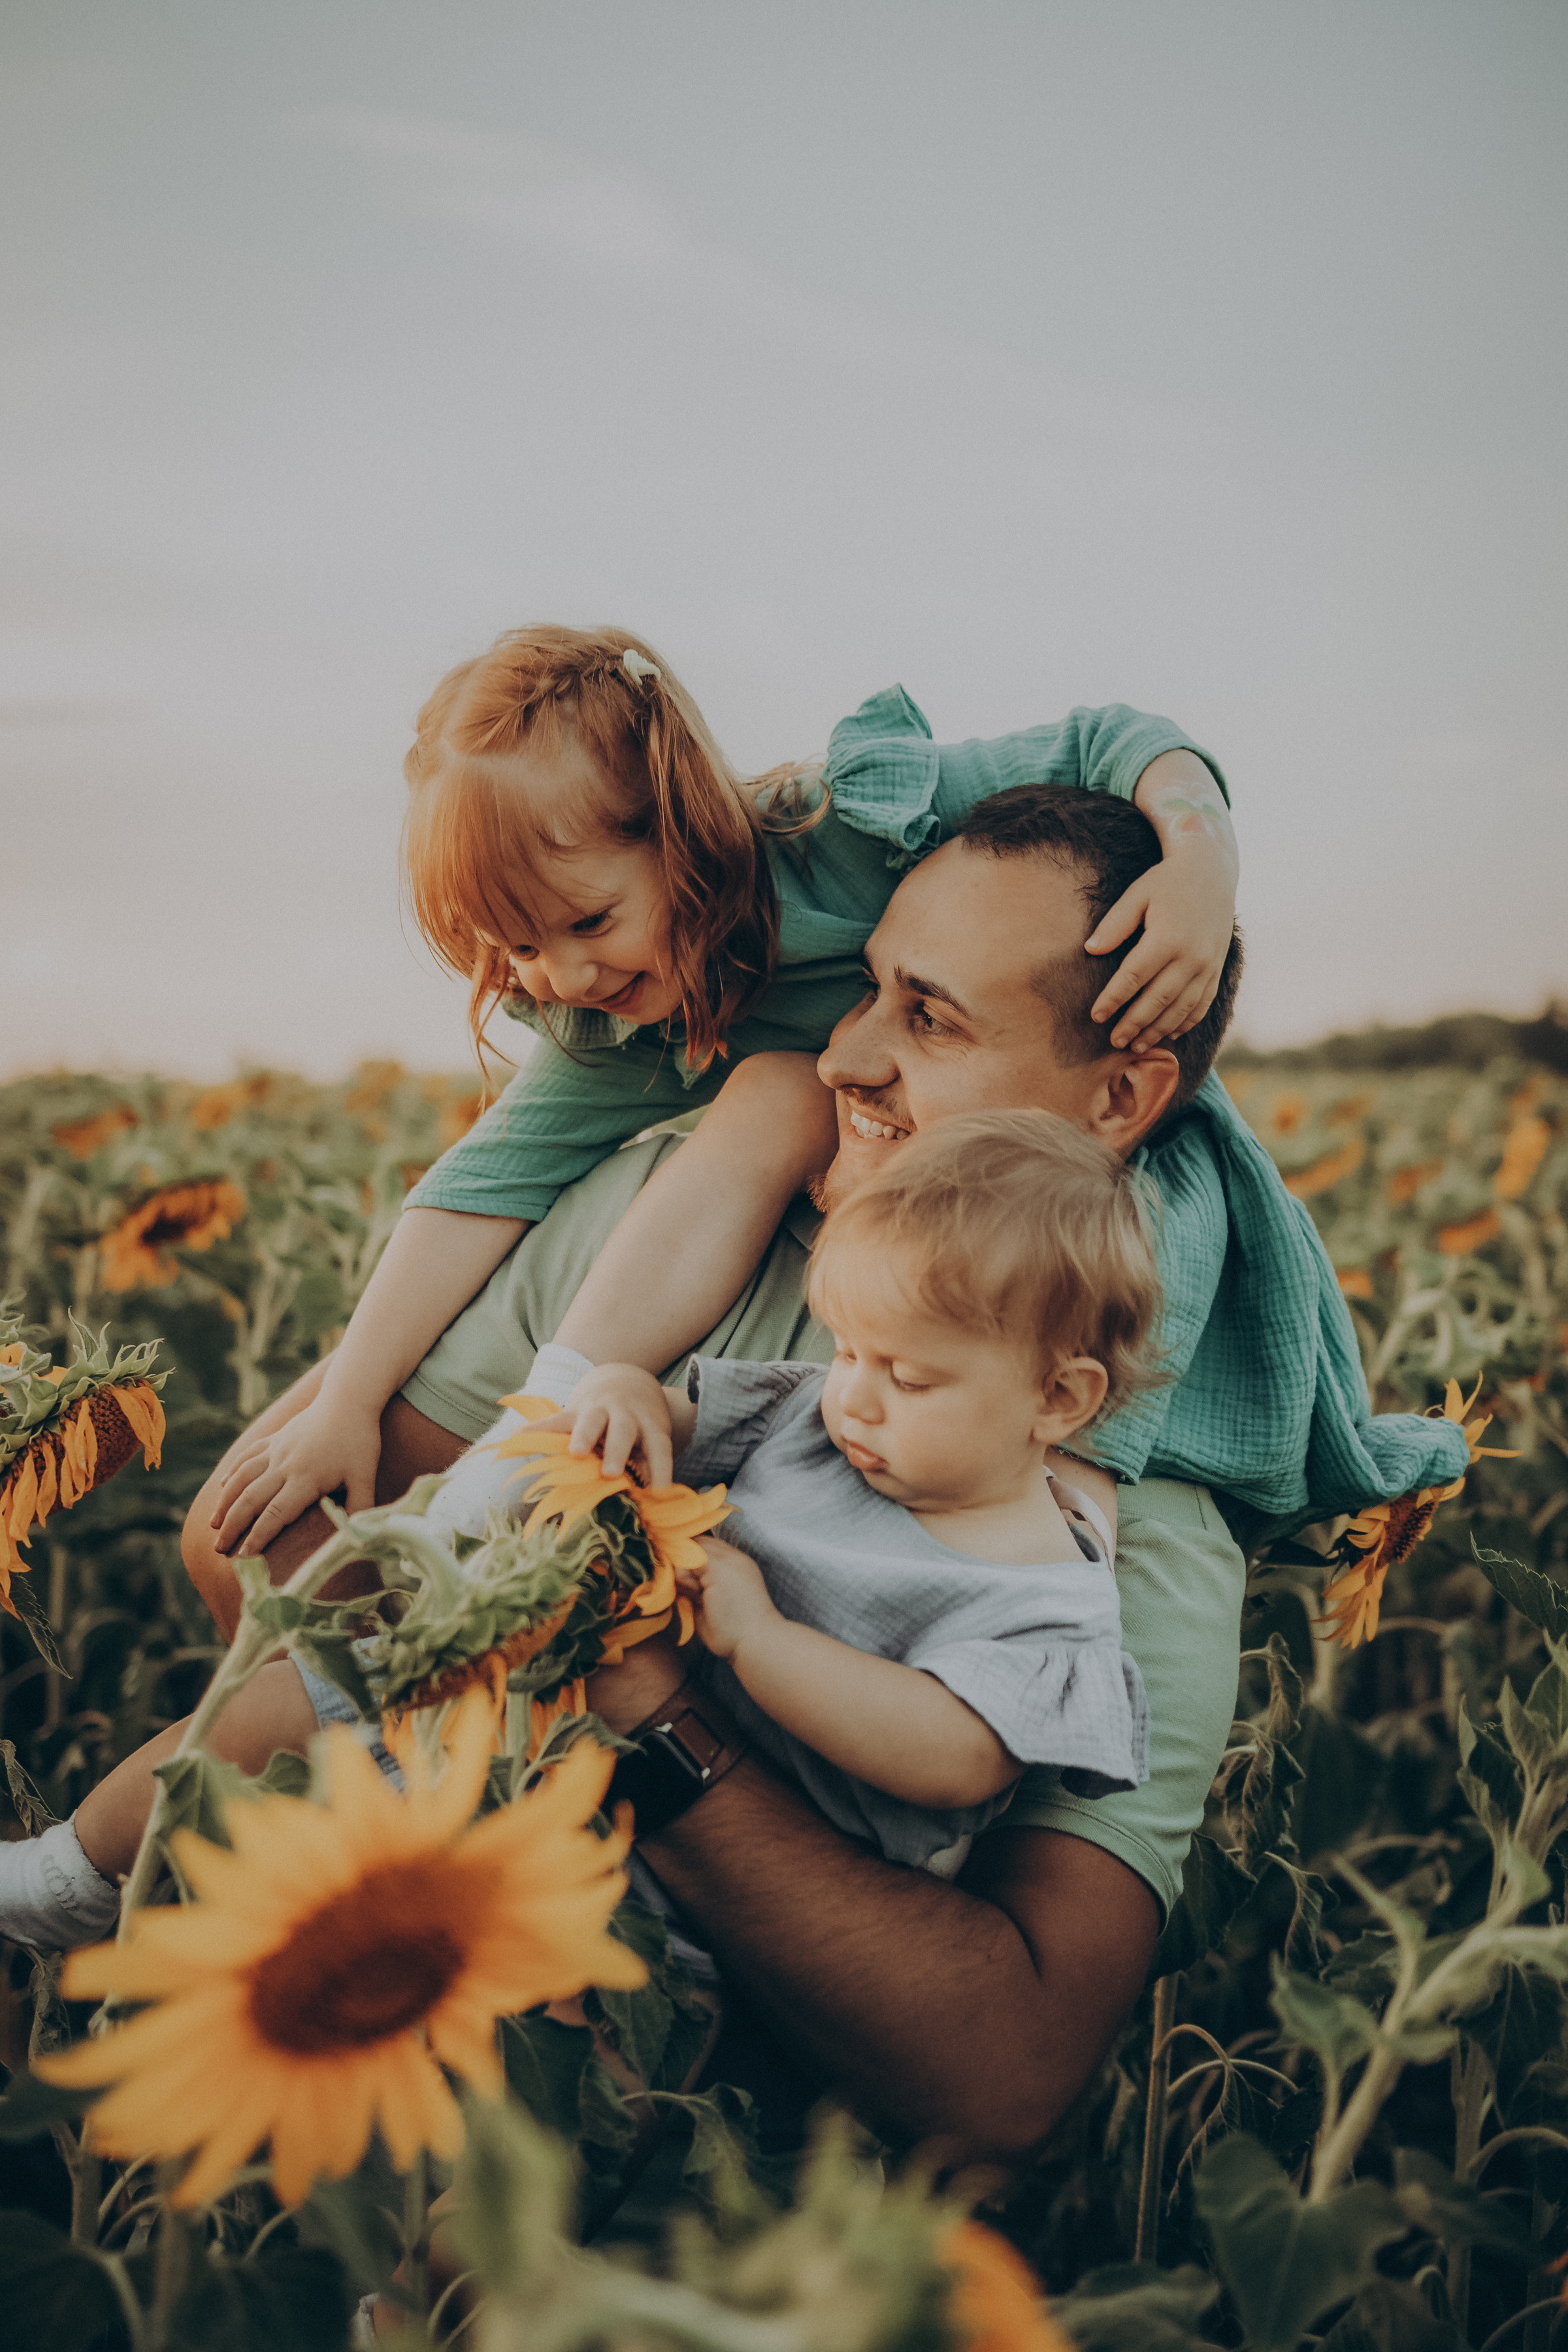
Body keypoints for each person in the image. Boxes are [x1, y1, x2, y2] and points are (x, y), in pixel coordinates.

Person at [161, 777, 1465, 2162]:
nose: (844, 1057)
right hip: (374, 2028)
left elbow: (1007, 2066)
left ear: (1120, 1097)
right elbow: (262, 1548)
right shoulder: (675, 1216)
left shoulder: (1113, 1505)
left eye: (931, 1019)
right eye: (869, 989)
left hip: (716, 2191)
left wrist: (646, 1704)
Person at [198, 625, 1239, 1571]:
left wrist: (1200, 858)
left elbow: (1107, 740)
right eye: (518, 946)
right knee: (778, 1094)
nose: (565, 976)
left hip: (1078, 1132)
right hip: (870, 1167)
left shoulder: (847, 829)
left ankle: (1072, 1525)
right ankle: (526, 1444)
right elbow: (479, 1185)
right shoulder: (618, 1024)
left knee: (1141, 1225)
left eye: (590, 921)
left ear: (682, 828)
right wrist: (348, 1401)